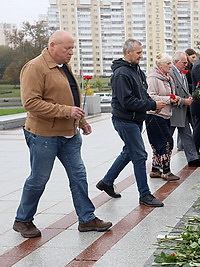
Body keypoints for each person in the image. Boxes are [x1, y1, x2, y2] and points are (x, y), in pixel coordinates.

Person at [14, 30, 112, 238]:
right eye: (67, 48)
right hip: (43, 135)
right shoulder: (35, 67)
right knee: (39, 178)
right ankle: (22, 220)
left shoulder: (63, 66)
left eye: (72, 48)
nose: (71, 52)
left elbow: (70, 97)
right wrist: (66, 112)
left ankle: (87, 218)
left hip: (69, 134)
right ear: (52, 46)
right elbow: (30, 103)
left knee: (79, 176)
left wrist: (81, 121)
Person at [96, 39, 165, 207]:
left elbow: (143, 93)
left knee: (129, 151)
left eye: (141, 52)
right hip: (125, 120)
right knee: (140, 155)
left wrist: (152, 105)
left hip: (135, 119)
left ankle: (106, 181)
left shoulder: (136, 70)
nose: (141, 56)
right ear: (128, 52)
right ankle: (144, 194)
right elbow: (127, 101)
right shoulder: (121, 74)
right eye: (139, 53)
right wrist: (151, 105)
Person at [169, 51, 200, 167]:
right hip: (174, 112)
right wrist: (183, 100)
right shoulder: (171, 74)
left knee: (187, 135)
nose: (186, 65)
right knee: (167, 139)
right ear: (176, 62)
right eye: (184, 62)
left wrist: (189, 97)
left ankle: (193, 159)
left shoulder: (182, 73)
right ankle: (161, 163)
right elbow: (171, 93)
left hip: (183, 110)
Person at [146, 53, 181, 181]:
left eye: (171, 63)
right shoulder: (153, 78)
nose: (171, 66)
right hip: (155, 115)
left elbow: (169, 95)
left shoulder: (167, 78)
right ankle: (166, 171)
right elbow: (150, 97)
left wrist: (174, 99)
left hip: (165, 114)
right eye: (168, 63)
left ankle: (155, 169)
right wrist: (168, 99)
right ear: (159, 65)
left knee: (158, 143)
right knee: (167, 142)